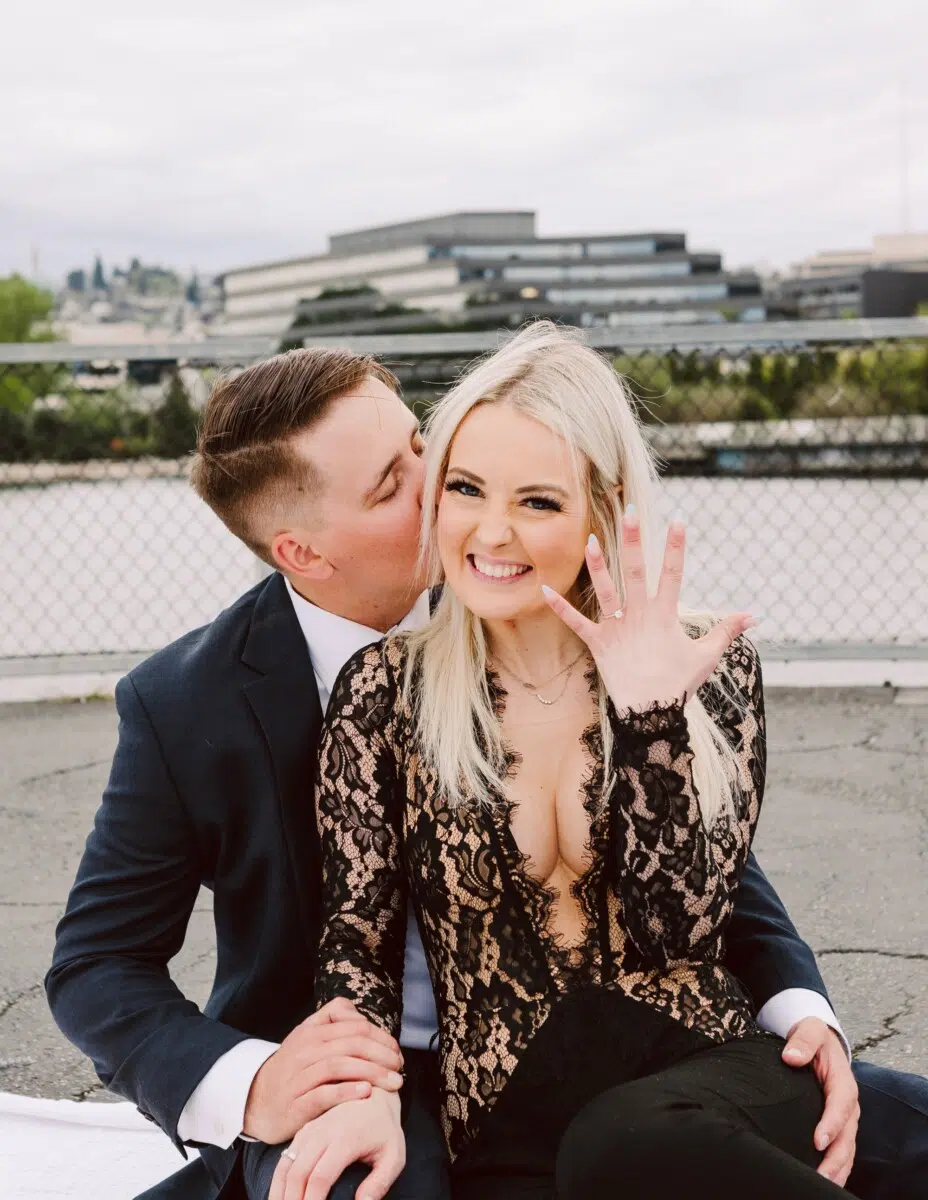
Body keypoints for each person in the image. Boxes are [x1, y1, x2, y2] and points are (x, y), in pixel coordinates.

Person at [45, 339, 926, 1200]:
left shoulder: (528, 582)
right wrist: (260, 1083)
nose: (442, 484)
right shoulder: (187, 704)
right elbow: (98, 964)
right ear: (303, 552)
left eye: (423, 445)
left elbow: (707, 858)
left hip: (660, 1049)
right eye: (396, 483)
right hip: (385, 1074)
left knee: (878, 1132)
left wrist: (800, 1008)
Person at [301, 323, 927, 1200]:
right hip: (510, 1127)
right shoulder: (385, 690)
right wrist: (361, 1096)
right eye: (466, 487)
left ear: (605, 510)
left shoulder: (705, 664)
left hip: (704, 1073)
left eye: (538, 502)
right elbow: (355, 944)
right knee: (605, 1151)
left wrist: (650, 720)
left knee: (627, 1138)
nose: (491, 530)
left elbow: (683, 934)